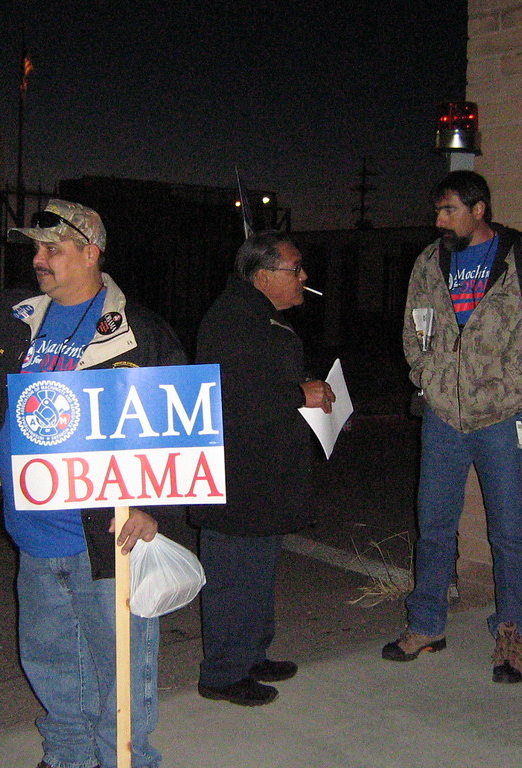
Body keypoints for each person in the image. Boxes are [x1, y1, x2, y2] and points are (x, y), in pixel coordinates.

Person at [0, 199, 185, 768]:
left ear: (91, 252)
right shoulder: (12, 317)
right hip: (32, 534)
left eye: (53, 248)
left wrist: (153, 506)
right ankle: (67, 756)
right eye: (36, 248)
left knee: (122, 670)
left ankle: (125, 760)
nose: (39, 259)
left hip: (107, 538)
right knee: (52, 665)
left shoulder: (139, 332)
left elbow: (179, 425)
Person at [381, 170, 522, 684]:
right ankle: (426, 624)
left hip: (502, 416)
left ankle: (511, 632)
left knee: (509, 529)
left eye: (450, 211)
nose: (440, 220)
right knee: (435, 524)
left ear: (478, 209)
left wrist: (512, 383)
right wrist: (427, 375)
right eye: (437, 211)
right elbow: (413, 326)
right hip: (443, 415)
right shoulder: (430, 261)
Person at [190, 231, 335, 706]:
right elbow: (231, 398)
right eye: (295, 268)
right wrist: (298, 394)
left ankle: (251, 655)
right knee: (232, 576)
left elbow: (264, 376)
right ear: (263, 275)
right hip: (238, 475)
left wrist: (308, 388)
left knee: (256, 571)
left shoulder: (258, 314)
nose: (303, 276)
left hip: (263, 472)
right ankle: (222, 673)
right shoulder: (233, 320)